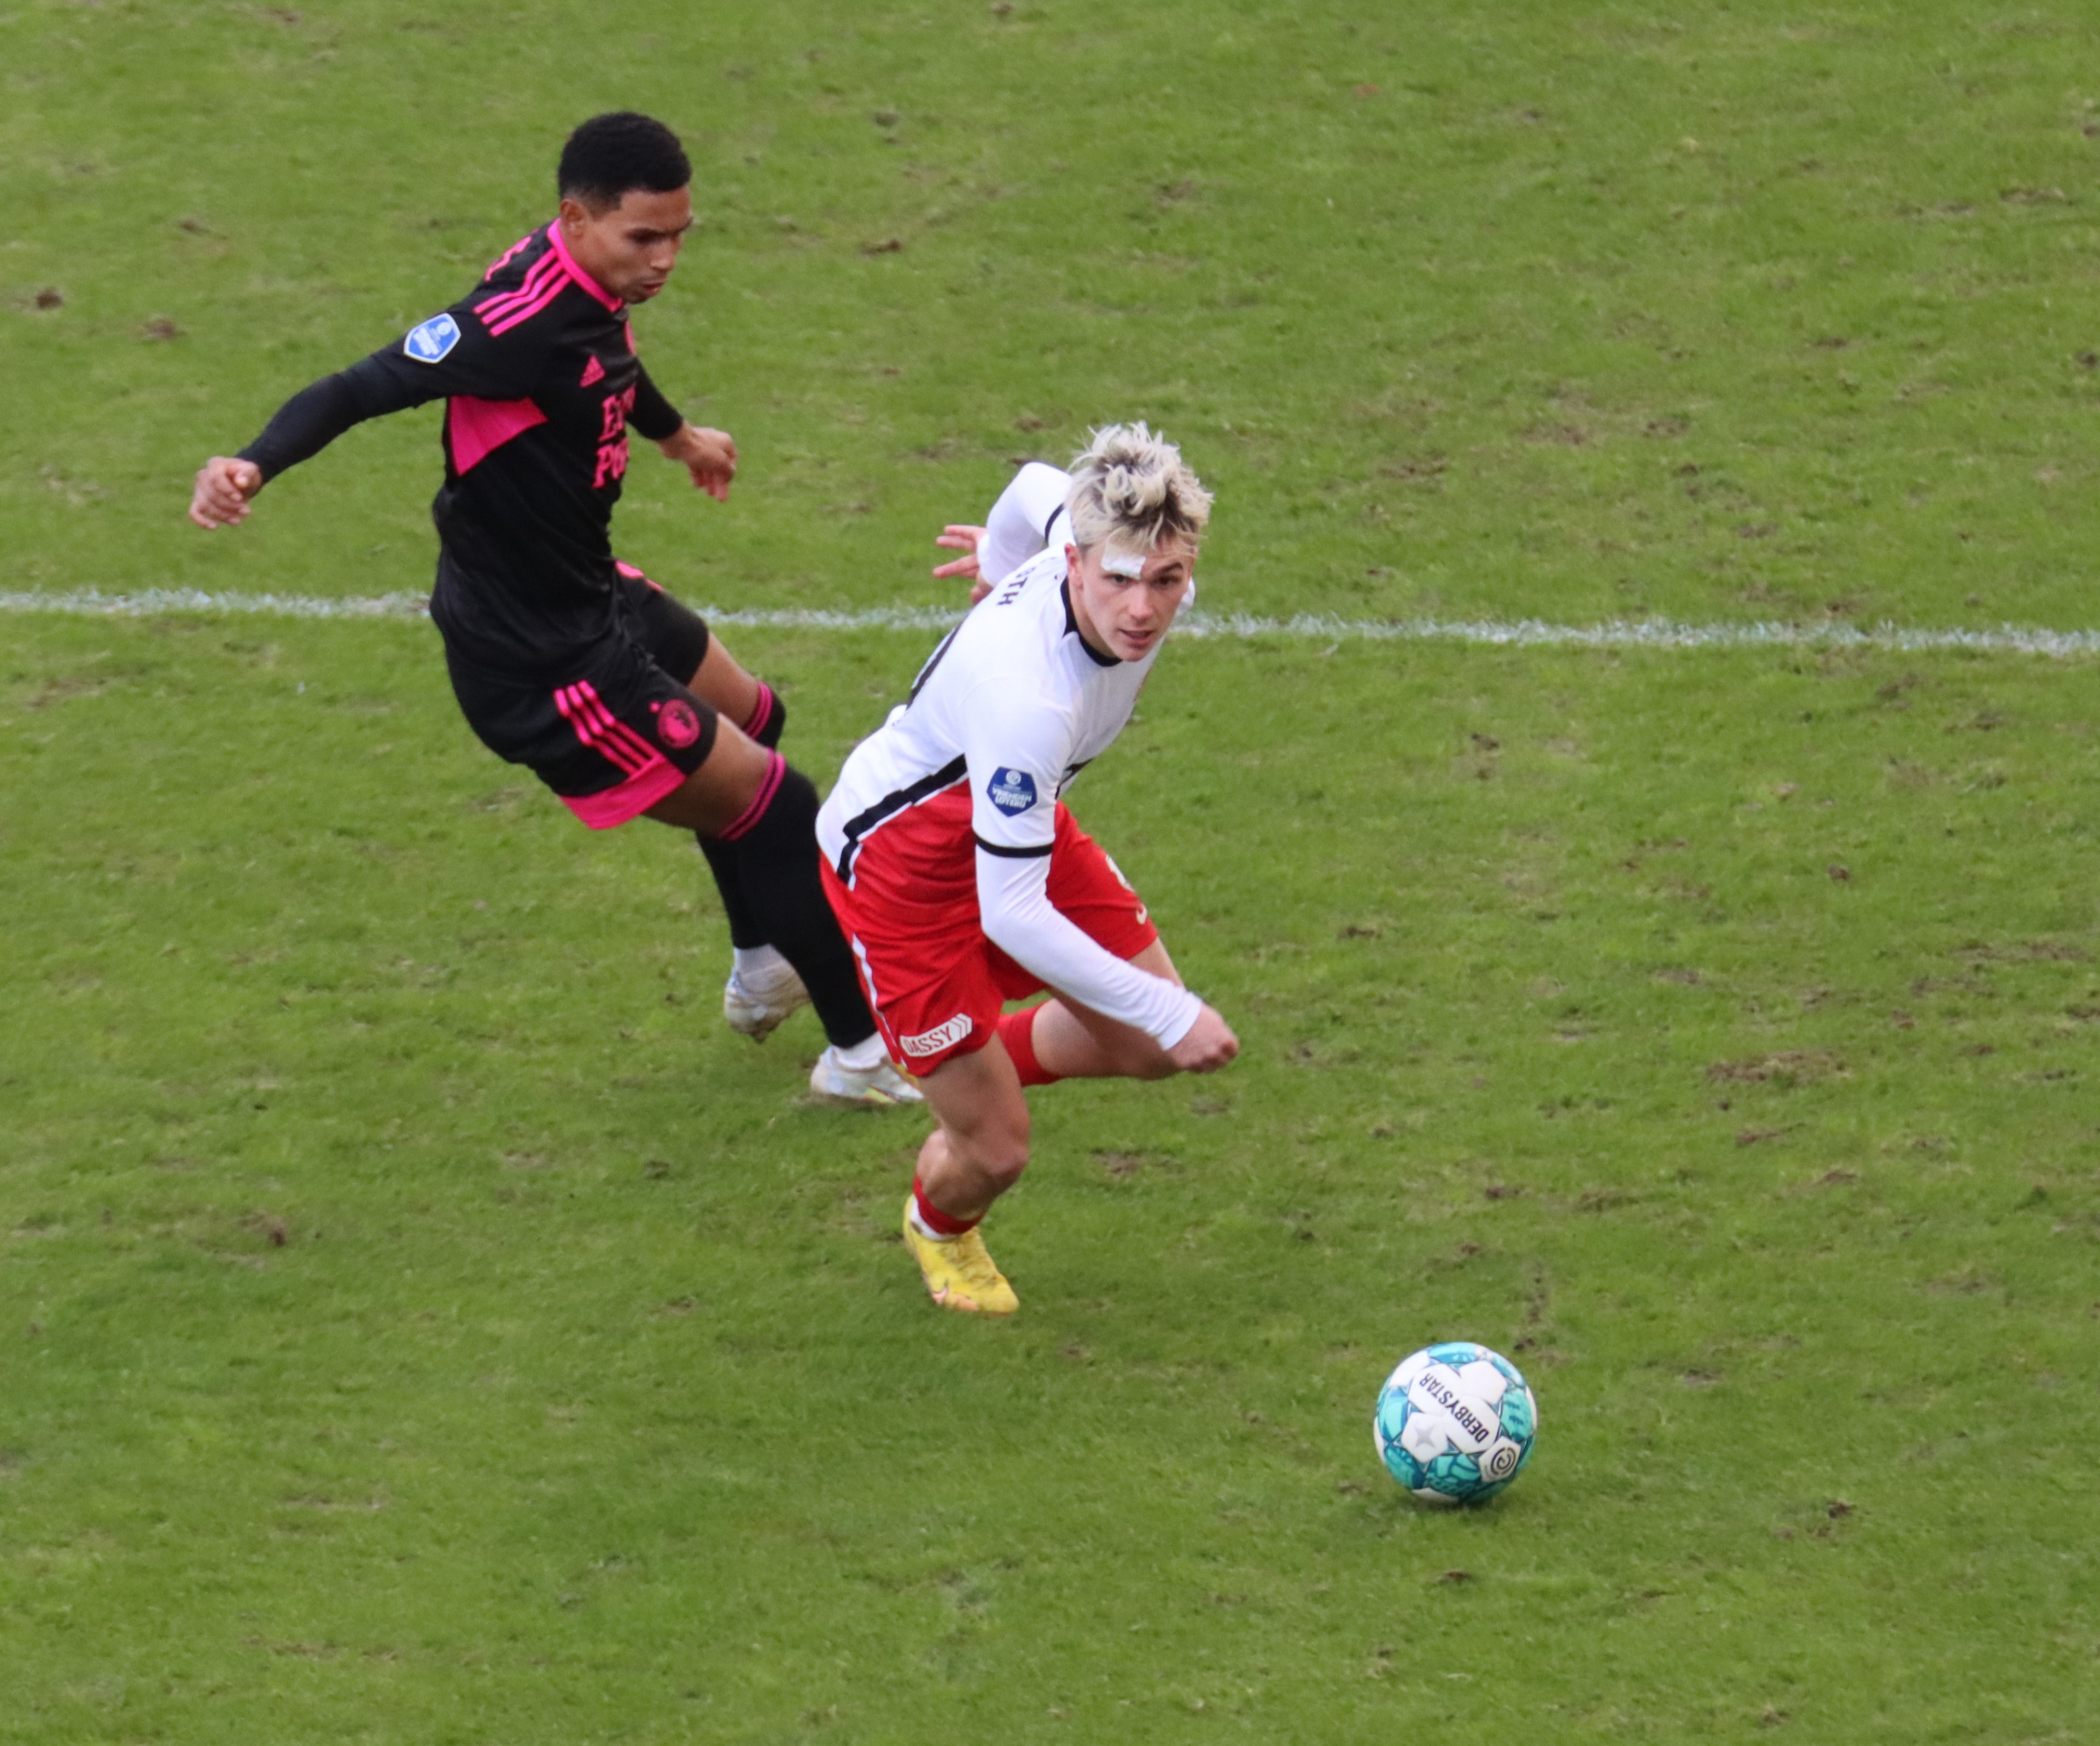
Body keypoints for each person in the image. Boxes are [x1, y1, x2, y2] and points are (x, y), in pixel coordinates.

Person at [187, 111, 917, 1108]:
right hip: (546, 660)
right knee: (780, 806)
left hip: (586, 591)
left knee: (755, 719)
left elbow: (604, 358)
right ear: (575, 218)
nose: (665, 261)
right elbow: (361, 386)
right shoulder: (507, 324)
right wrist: (251, 464)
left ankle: (762, 967)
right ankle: (862, 1058)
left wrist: (677, 435)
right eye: (644, 239)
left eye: (680, 237)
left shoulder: (586, 280)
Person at [816, 424, 1240, 1314]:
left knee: (1150, 1050)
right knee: (998, 1151)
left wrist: (999, 555)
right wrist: (1170, 1002)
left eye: (1167, 581)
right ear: (1078, 563)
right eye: (1119, 579)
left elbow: (1030, 486)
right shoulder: (1029, 701)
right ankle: (939, 1227)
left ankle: (964, 1066)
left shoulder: (1083, 535)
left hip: (1017, 819)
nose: (1144, 610)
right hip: (902, 874)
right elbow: (1011, 912)